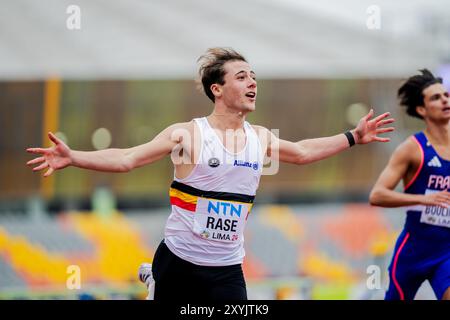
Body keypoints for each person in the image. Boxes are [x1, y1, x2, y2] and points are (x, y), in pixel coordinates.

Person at [27, 47, 394, 301]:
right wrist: (74, 157)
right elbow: (127, 159)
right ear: (217, 89)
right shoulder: (188, 134)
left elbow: (302, 152)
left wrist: (352, 137)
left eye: (253, 76)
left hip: (226, 268)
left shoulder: (260, 138)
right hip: (179, 264)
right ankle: (156, 278)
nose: (252, 82)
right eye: (241, 76)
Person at [370, 69, 450, 300]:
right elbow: (377, 195)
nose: (445, 100)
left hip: (446, 252)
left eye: (445, 95)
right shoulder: (412, 149)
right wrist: (423, 199)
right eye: (436, 97)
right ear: (421, 110)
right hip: (413, 252)